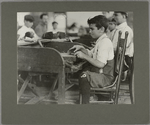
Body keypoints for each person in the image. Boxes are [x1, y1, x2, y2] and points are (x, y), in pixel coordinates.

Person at [70, 15, 114, 104]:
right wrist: (82, 48)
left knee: (84, 76)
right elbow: (92, 54)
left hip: (105, 77)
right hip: (100, 73)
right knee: (84, 71)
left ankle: (85, 103)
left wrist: (84, 56)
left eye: (92, 29)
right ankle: (86, 99)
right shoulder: (101, 40)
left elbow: (100, 64)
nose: (89, 31)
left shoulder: (105, 43)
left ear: (101, 29)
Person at [113, 11, 134, 81]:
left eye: (116, 15)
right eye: (114, 15)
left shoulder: (126, 30)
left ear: (124, 16)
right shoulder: (115, 30)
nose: (114, 17)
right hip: (116, 56)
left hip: (123, 60)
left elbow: (120, 48)